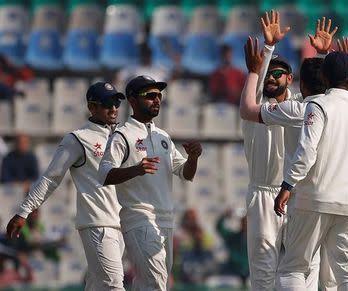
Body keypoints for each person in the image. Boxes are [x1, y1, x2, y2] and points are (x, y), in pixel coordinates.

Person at [6, 82, 126, 291]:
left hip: (121, 223)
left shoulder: (121, 137)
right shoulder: (78, 138)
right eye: (108, 103)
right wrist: (24, 211)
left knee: (97, 285)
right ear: (92, 107)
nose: (114, 108)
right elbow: (50, 178)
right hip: (97, 222)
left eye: (116, 102)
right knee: (114, 285)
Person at [274, 51, 348, 290]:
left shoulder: (318, 105)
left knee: (293, 268)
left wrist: (287, 185)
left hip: (314, 199)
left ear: (325, 77)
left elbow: (307, 151)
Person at [98, 75, 202, 291]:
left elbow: (185, 173)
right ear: (133, 100)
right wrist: (137, 169)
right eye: (150, 95)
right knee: (155, 284)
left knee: (152, 284)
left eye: (159, 95)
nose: (157, 100)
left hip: (166, 220)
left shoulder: (163, 136)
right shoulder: (122, 135)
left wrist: (193, 158)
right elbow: (104, 174)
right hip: (138, 218)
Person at [238, 10, 299, 290]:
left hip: (295, 194)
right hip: (263, 195)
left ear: (290, 77)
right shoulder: (254, 105)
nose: (272, 78)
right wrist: (268, 47)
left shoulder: (301, 106)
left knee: (300, 271)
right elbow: (256, 81)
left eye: (278, 73)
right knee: (263, 275)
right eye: (269, 74)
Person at [216, 210, 249, 286]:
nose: (246, 224)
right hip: (233, 271)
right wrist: (225, 215)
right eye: (244, 222)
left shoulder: (256, 239)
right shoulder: (233, 237)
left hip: (251, 273)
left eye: (248, 222)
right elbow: (219, 227)